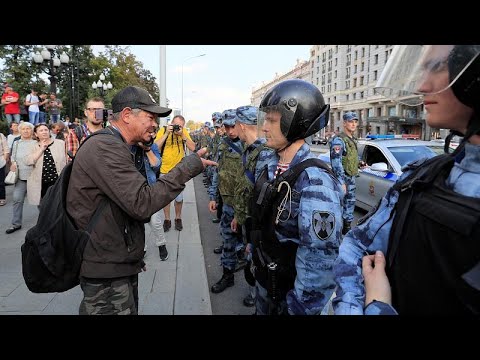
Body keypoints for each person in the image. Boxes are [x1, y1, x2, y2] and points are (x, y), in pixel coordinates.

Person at [333, 45, 480, 316]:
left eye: (437, 67)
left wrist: (377, 307)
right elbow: (356, 248)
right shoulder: (425, 175)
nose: (423, 86)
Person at [66, 86, 216, 315]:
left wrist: (131, 256)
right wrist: (187, 167)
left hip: (114, 261)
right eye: (150, 117)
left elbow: (126, 207)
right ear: (127, 115)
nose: (156, 124)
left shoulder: (119, 146)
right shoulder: (105, 147)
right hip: (105, 270)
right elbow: (142, 202)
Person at [250, 79, 344, 315]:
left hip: (290, 298)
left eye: (272, 121)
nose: (264, 128)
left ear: (295, 123)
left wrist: (300, 308)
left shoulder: (314, 180)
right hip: (265, 283)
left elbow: (318, 264)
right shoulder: (270, 165)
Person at [231, 105, 268, 307]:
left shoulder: (264, 154)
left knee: (256, 262)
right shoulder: (250, 151)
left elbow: (262, 198)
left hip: (257, 225)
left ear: (242, 126)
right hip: (247, 220)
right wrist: (238, 215)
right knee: (250, 259)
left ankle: (258, 296)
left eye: (235, 125)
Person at [208, 109, 245, 294]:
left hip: (245, 207)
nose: (230, 131)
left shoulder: (250, 146)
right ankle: (227, 276)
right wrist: (213, 196)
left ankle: (255, 291)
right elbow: (218, 172)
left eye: (233, 126)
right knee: (227, 242)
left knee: (249, 249)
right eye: (227, 126)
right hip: (228, 204)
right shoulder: (223, 145)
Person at [154, 115, 196, 232]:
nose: (177, 127)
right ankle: (167, 219)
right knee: (166, 198)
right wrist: (167, 133)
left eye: (180, 126)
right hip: (164, 170)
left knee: (179, 198)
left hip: (179, 171)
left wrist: (182, 135)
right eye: (175, 124)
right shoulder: (163, 130)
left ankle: (178, 217)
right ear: (171, 123)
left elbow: (193, 148)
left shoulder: (183, 133)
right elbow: (155, 147)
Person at [329, 111, 363, 235]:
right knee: (340, 204)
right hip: (343, 179)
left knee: (350, 203)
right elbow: (336, 162)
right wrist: (341, 181)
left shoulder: (351, 139)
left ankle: (346, 228)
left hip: (351, 177)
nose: (353, 124)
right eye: (350, 121)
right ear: (344, 123)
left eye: (355, 122)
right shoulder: (339, 140)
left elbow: (350, 157)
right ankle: (336, 231)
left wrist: (360, 163)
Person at [5, 122, 36, 234]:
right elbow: (13, 157)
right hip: (20, 177)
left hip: (34, 177)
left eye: (28, 128)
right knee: (17, 199)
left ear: (32, 131)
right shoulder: (17, 143)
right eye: (23, 129)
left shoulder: (36, 143)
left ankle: (45, 224)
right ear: (20, 130)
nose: (26, 131)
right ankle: (16, 224)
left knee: (40, 202)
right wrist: (12, 163)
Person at [25, 123, 67, 205]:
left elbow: (66, 160)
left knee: (59, 205)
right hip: (42, 183)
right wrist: (41, 149)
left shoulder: (60, 143)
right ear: (36, 134)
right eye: (41, 131)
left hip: (58, 181)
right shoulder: (32, 146)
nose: (44, 132)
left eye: (46, 130)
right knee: (45, 206)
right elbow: (29, 161)